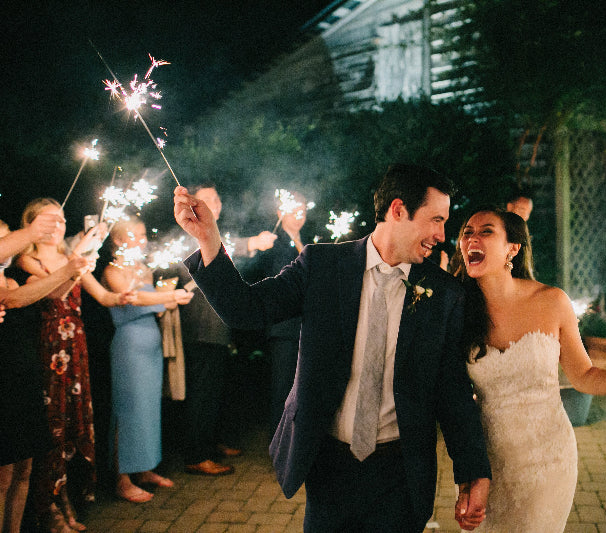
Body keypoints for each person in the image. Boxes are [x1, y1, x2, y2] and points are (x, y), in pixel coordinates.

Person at [173, 164, 492, 532]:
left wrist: (473, 472)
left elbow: (451, 390)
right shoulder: (322, 266)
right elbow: (247, 310)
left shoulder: (445, 293)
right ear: (398, 210)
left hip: (400, 474)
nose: (441, 234)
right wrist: (208, 239)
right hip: (328, 465)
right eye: (436, 219)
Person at [452, 208, 606, 532]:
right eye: (467, 232)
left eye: (486, 231)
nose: (472, 238)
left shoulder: (552, 301)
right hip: (486, 463)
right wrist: (467, 476)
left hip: (548, 460)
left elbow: (585, 377)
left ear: (512, 248)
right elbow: (451, 398)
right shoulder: (457, 310)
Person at [15, 199, 133, 532]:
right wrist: (80, 256)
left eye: (62, 219)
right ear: (32, 224)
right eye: (50, 219)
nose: (59, 225)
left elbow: (102, 296)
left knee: (72, 425)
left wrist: (123, 296)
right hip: (49, 350)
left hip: (76, 348)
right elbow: (57, 291)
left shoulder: (72, 258)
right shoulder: (28, 258)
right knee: (52, 428)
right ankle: (47, 508)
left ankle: (66, 498)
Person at [177, 184, 276, 476]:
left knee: (216, 390)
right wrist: (253, 243)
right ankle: (196, 455)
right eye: (207, 199)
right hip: (202, 327)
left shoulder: (214, 232)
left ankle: (212, 442)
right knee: (203, 392)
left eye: (217, 198)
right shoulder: (191, 230)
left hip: (218, 326)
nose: (215, 204)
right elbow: (219, 248)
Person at [0, 218, 91, 533]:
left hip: (25, 368)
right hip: (10, 371)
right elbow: (11, 299)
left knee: (24, 467)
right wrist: (33, 234)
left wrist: (75, 262)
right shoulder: (21, 271)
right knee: (4, 474)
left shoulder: (10, 278)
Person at [102, 216, 194, 502]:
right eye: (135, 234)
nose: (143, 239)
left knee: (148, 409)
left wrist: (175, 298)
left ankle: (144, 468)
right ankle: (122, 478)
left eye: (144, 233)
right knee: (127, 410)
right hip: (128, 346)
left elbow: (155, 307)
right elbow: (131, 299)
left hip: (150, 343)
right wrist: (166, 297)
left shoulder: (144, 269)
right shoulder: (112, 270)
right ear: (117, 239)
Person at [241, 190, 307, 439]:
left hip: (305, 327)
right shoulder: (273, 242)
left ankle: (297, 441)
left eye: (303, 210)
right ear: (280, 213)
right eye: (293, 209)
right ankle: (279, 444)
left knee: (302, 388)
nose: (299, 214)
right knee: (283, 389)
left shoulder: (310, 242)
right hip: (283, 326)